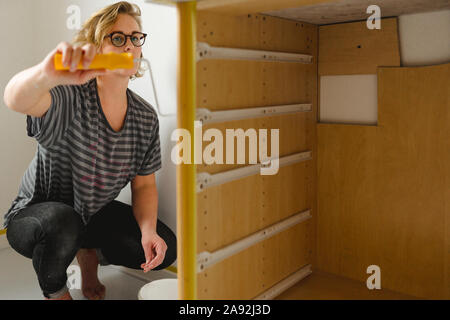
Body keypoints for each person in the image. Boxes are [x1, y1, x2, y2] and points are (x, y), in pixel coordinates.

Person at [2, 1, 176, 300]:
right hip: (38, 216)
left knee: (164, 246)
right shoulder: (70, 96)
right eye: (118, 38)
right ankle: (56, 293)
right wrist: (47, 74)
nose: (130, 46)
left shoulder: (144, 117)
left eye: (136, 38)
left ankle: (87, 256)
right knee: (62, 221)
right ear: (96, 47)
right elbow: (15, 99)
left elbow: (145, 184)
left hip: (90, 214)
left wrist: (148, 231)